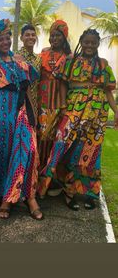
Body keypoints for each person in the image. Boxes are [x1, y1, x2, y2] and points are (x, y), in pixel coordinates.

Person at [38, 28, 118, 210]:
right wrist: (65, 106)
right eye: (87, 42)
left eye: (93, 43)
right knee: (64, 146)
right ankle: (66, 190)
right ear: (81, 42)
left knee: (91, 152)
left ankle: (89, 193)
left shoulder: (104, 65)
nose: (89, 45)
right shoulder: (71, 61)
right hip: (74, 110)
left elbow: (108, 91)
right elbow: (63, 85)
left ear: (97, 44)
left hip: (97, 113)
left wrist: (116, 111)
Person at [0, 12, 43, 220]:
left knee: (27, 150)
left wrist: (34, 115)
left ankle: (29, 197)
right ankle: (8, 196)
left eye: (7, 38)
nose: (4, 42)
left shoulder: (20, 59)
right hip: (0, 113)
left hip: (21, 111)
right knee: (4, 155)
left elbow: (27, 86)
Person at [38, 20, 71, 175]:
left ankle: (51, 177)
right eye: (52, 35)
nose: (55, 38)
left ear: (64, 37)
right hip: (42, 103)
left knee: (56, 140)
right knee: (42, 138)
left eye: (58, 35)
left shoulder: (69, 57)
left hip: (60, 104)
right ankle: (38, 174)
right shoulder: (43, 54)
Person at [18, 24, 41, 120]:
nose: (31, 37)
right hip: (20, 103)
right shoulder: (16, 57)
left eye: (33, 35)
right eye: (27, 35)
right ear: (21, 38)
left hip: (36, 103)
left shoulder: (39, 59)